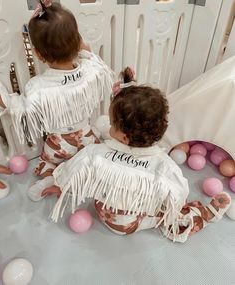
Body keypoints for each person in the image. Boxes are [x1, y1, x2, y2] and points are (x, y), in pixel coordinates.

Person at [42, 67, 231, 242]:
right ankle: (202, 216)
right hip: (133, 221)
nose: (108, 126)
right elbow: (177, 195)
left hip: (106, 214)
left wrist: (58, 184)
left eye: (111, 124)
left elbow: (73, 172)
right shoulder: (163, 166)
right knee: (173, 215)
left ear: (124, 137)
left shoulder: (95, 154)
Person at [0, 0, 114, 201]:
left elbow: (20, 108)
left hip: (57, 144)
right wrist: (77, 42)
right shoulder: (92, 70)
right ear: (76, 41)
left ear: (39, 54)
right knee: (92, 157)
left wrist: (5, 99)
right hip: (86, 138)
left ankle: (50, 178)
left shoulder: (38, 87)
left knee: (48, 162)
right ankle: (83, 176)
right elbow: (90, 54)